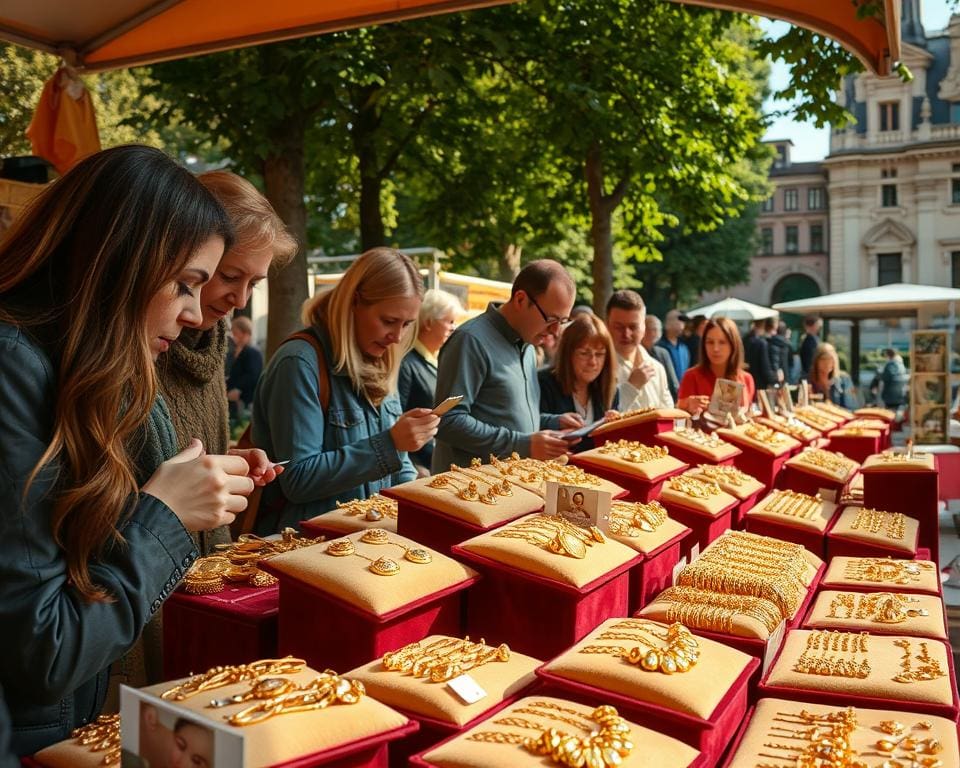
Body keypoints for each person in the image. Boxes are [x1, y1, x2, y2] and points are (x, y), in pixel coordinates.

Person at [0, 145, 266, 754]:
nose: (197, 312)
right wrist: (166, 514)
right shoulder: (15, 370)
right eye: (185, 284)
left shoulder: (77, 370)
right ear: (116, 264)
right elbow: (45, 652)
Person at [157, 170, 297, 552]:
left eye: (254, 284)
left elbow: (188, 450)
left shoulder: (215, 336)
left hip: (209, 559)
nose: (241, 300)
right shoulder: (145, 343)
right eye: (230, 276)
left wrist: (229, 459)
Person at [252, 248, 435, 531]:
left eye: (407, 324)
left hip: (367, 547)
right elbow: (298, 480)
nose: (397, 336)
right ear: (353, 302)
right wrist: (391, 443)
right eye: (388, 321)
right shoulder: (299, 362)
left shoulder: (382, 359)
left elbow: (397, 465)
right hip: (308, 552)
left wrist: (423, 494)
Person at [433, 259, 582, 471]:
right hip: (470, 494)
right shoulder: (470, 341)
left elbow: (505, 415)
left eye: (563, 321)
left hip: (510, 487)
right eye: (551, 319)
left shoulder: (528, 345)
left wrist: (553, 422)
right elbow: (447, 420)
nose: (556, 331)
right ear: (521, 299)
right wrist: (523, 444)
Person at [398, 288, 462, 473]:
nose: (453, 327)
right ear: (428, 323)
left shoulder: (436, 359)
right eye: (449, 321)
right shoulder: (406, 364)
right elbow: (397, 420)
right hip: (418, 466)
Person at [539, 314, 620, 452]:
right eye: (584, 353)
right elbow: (529, 425)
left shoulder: (611, 390)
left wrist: (615, 427)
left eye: (600, 354)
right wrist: (556, 423)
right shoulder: (544, 383)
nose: (593, 362)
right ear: (567, 354)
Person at [604, 290, 673, 411]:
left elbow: (668, 415)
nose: (626, 334)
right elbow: (597, 419)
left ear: (644, 327)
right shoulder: (596, 366)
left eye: (633, 327)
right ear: (607, 325)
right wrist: (631, 387)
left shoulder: (657, 368)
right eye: (619, 327)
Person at [678, 316, 756, 413]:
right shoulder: (691, 376)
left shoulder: (747, 379)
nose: (715, 348)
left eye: (722, 342)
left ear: (733, 345)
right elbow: (678, 415)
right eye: (710, 342)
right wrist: (686, 405)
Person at [226, 316, 263, 421]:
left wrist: (238, 389)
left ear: (246, 333)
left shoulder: (253, 352)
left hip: (245, 399)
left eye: (236, 333)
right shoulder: (235, 351)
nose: (233, 336)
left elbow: (253, 375)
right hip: (232, 398)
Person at [642, 314, 680, 402]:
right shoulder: (634, 353)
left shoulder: (662, 353)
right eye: (651, 329)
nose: (654, 333)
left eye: (657, 330)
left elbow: (673, 383)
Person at [809, 343, 856, 409]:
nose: (827, 363)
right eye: (824, 359)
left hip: (839, 417)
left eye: (831, 359)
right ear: (816, 361)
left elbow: (851, 407)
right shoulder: (808, 380)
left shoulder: (844, 379)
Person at [656, 308, 691, 382]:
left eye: (683, 322)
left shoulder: (684, 348)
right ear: (668, 323)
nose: (683, 324)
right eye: (679, 320)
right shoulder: (659, 348)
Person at [744, 318, 778, 391]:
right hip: (759, 384)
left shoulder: (745, 339)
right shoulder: (761, 343)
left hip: (746, 381)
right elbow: (765, 367)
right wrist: (774, 379)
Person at [768, 320, 795, 384]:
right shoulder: (788, 345)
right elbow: (791, 363)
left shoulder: (768, 343)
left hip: (773, 377)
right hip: (786, 376)